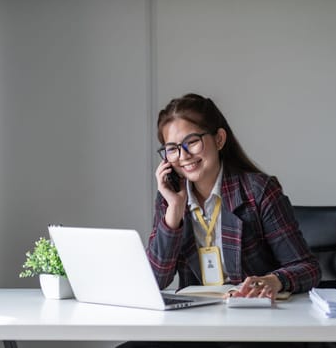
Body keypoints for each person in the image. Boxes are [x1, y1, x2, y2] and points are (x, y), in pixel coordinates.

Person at [119, 93, 321, 348]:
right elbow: (155, 282)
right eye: (172, 149)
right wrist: (174, 211)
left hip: (254, 327)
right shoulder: (170, 199)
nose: (183, 156)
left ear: (219, 139)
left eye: (191, 142)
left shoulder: (258, 192)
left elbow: (308, 268)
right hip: (196, 327)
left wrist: (274, 280)